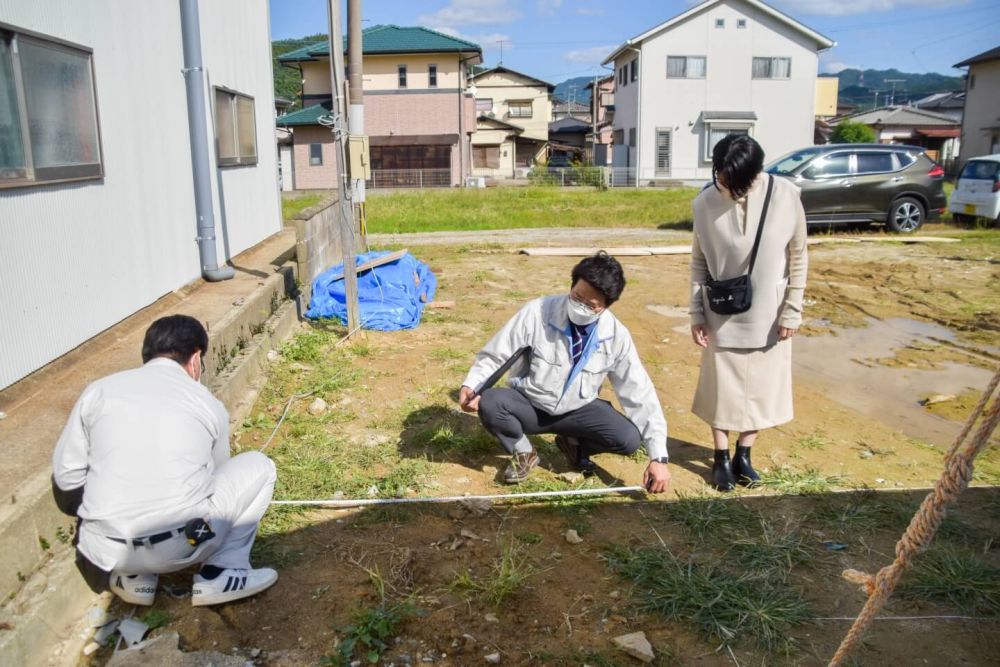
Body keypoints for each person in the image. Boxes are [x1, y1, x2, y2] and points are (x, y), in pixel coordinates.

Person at [52, 314, 278, 606]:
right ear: (196, 359)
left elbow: (67, 478)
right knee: (260, 466)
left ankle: (134, 579)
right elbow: (217, 478)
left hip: (105, 551)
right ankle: (222, 572)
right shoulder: (205, 402)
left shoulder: (98, 391)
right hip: (181, 545)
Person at [458, 252, 671, 493]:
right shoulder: (537, 312)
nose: (580, 307)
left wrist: (659, 458)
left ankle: (574, 445)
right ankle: (524, 452)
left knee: (628, 439)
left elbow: (639, 392)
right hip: (530, 405)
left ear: (605, 306)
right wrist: (473, 385)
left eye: (590, 305)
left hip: (578, 411)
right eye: (577, 297)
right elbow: (498, 354)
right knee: (492, 402)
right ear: (571, 286)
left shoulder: (616, 336)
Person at [689, 134, 808, 491]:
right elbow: (697, 261)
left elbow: (799, 256)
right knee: (720, 387)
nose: (725, 185)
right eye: (720, 176)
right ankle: (721, 456)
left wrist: (792, 309)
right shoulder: (705, 203)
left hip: (770, 314)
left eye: (732, 180)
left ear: (753, 173)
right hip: (721, 311)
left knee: (763, 387)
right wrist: (696, 311)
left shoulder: (786, 196)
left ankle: (745, 454)